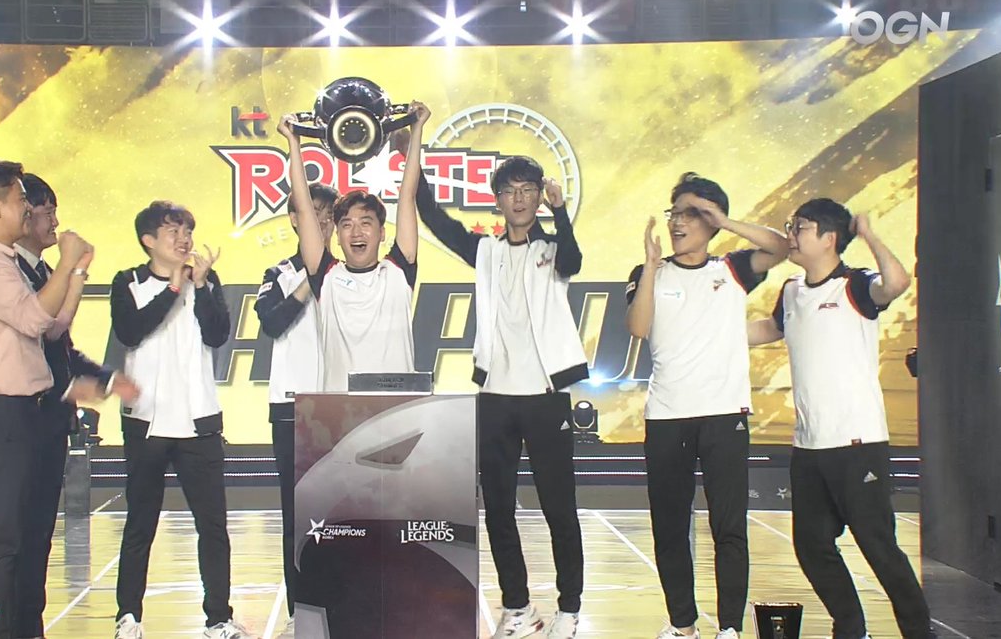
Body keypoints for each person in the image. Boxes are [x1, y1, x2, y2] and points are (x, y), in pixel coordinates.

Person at [415, 154, 588, 638]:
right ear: (497, 200)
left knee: (559, 509)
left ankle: (569, 609)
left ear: (539, 196)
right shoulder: (485, 251)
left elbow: (574, 261)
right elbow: (432, 217)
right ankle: (518, 609)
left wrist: (561, 211)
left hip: (545, 396)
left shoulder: (553, 248)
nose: (520, 198)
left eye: (528, 189)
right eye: (510, 190)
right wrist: (413, 150)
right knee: (498, 510)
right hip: (495, 396)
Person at [748, 199, 934, 639]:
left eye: (800, 227)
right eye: (791, 226)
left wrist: (868, 234)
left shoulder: (855, 286)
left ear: (829, 238)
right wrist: (709, 333)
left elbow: (896, 283)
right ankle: (850, 628)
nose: (791, 235)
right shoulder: (792, 291)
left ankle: (919, 632)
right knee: (811, 545)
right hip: (809, 446)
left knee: (878, 545)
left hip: (857, 443)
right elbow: (770, 329)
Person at [0, 159, 104, 639]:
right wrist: (68, 262)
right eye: (19, 200)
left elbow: (50, 328)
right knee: (1, 539)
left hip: (21, 413)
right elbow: (34, 319)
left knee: (25, 536)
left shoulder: (5, 262)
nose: (27, 209)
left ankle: (17, 629)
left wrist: (72, 272)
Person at [625, 172, 788, 639]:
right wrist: (651, 266)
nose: (678, 223)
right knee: (670, 527)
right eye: (674, 213)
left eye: (692, 214)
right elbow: (638, 328)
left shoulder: (732, 269)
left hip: (724, 415)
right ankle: (683, 625)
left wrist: (727, 222)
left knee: (729, 527)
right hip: (667, 416)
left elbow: (780, 248)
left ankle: (730, 628)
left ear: (711, 221)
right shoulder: (648, 273)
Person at [109, 200, 253, 639]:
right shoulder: (128, 282)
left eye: (187, 231)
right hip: (146, 422)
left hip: (198, 422)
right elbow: (130, 331)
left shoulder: (204, 281)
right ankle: (128, 616)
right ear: (148, 240)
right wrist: (172, 289)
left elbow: (218, 334)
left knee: (213, 527)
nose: (184, 239)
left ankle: (218, 618)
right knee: (140, 523)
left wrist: (201, 284)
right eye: (173, 231)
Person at [11, 172, 138, 638]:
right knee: (13, 537)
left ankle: (28, 625)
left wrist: (105, 379)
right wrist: (76, 269)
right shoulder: (7, 269)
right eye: (48, 212)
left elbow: (60, 346)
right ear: (23, 214)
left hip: (48, 421)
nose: (55, 222)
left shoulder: (42, 271)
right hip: (20, 421)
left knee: (38, 537)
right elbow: (45, 331)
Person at [275, 102, 429, 390]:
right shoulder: (326, 275)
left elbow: (407, 196)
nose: (356, 232)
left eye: (366, 223)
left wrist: (416, 129)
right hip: (339, 411)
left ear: (382, 233)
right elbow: (305, 210)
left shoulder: (398, 271)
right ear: (336, 234)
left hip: (398, 408)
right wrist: (293, 143)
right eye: (346, 224)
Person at [253, 181, 338, 639]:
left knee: (343, 517)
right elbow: (272, 322)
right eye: (312, 214)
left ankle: (341, 607)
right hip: (291, 408)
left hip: (342, 409)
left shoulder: (349, 273)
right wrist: (311, 280)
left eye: (328, 216)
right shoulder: (279, 273)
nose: (321, 223)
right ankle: (301, 610)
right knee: (298, 518)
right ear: (294, 219)